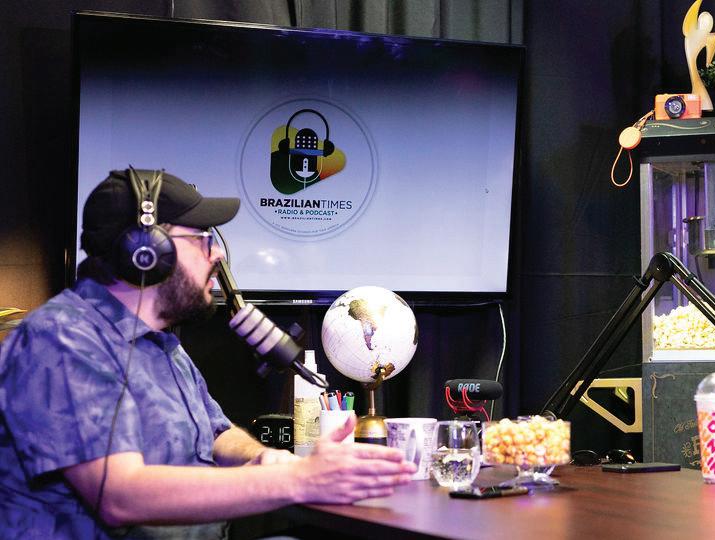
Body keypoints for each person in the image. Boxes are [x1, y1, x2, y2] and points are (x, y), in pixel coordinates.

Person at [0, 169, 416, 539]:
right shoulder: (61, 340)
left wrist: (266, 459)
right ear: (146, 251)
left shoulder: (161, 344)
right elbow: (120, 495)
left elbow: (216, 433)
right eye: (202, 239)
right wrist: (301, 479)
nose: (217, 254)